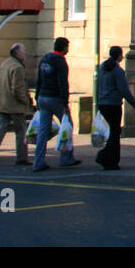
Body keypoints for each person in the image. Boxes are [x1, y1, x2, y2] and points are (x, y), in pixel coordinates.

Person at [0, 44, 33, 166]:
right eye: (23, 52)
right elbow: (18, 89)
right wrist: (26, 101)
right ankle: (22, 157)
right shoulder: (17, 67)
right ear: (16, 53)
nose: (25, 55)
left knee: (0, 129)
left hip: (3, 103)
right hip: (15, 106)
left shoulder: (5, 64)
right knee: (21, 131)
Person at [33, 37, 80, 171]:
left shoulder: (44, 59)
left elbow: (39, 80)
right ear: (64, 47)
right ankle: (66, 157)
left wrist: (37, 98)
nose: (68, 49)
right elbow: (63, 83)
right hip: (55, 98)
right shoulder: (60, 62)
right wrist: (65, 103)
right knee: (67, 125)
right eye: (67, 47)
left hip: (43, 97)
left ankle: (38, 161)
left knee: (43, 130)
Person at [95, 45, 135, 170]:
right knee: (115, 133)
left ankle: (105, 157)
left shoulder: (102, 67)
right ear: (119, 56)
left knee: (111, 132)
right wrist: (134, 103)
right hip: (113, 104)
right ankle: (107, 159)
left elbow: (98, 86)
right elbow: (124, 89)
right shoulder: (118, 71)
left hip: (103, 104)